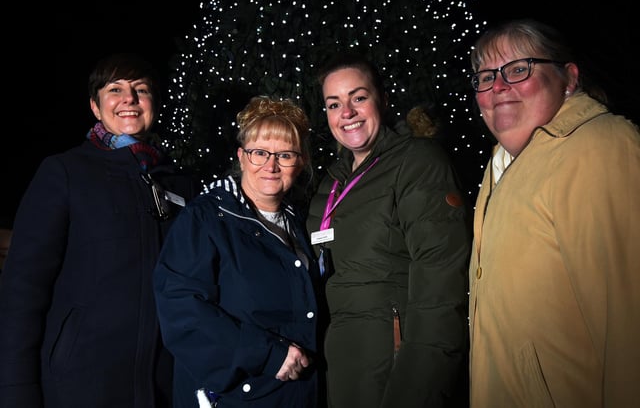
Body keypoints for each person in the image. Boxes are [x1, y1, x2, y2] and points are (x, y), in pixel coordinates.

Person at [0, 52, 197, 407]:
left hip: (165, 385)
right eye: (115, 89)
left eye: (141, 90)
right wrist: (16, 391)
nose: (129, 100)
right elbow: (22, 290)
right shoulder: (65, 173)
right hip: (81, 384)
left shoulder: (178, 183)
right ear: (95, 106)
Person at [467, 18, 640, 407]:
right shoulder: (500, 165)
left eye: (517, 69)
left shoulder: (599, 148)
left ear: (569, 78)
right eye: (485, 76)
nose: (497, 86)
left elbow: (630, 327)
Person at [306, 51, 471, 408]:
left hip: (394, 363)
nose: (346, 113)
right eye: (334, 104)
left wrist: (418, 387)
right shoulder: (328, 184)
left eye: (358, 98)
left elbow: (441, 282)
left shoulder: (417, 162)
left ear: (381, 98)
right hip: (340, 364)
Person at [153, 95, 324, 408]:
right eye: (260, 152)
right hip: (234, 396)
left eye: (285, 154)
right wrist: (268, 354)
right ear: (242, 156)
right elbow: (181, 310)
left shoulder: (298, 223)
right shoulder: (206, 218)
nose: (271, 165)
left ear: (299, 163)